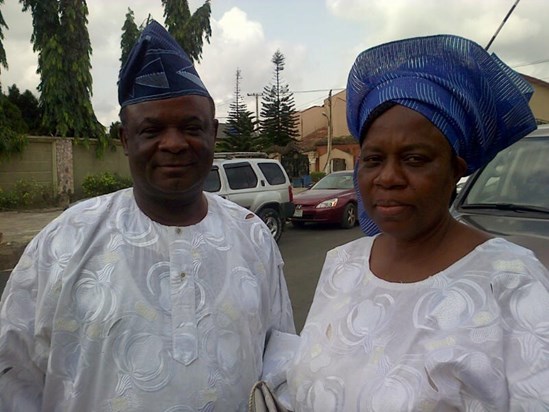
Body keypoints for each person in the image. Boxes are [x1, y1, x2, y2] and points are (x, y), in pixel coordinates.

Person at [0, 20, 295, 411]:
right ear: (125, 139)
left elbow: (282, 365)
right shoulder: (63, 242)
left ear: (213, 132)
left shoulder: (253, 237)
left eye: (191, 127)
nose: (173, 143)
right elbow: (13, 376)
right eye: (151, 130)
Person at [279, 35, 549, 411]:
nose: (388, 177)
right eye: (373, 159)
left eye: (415, 158)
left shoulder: (511, 282)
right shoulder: (343, 264)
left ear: (455, 169)